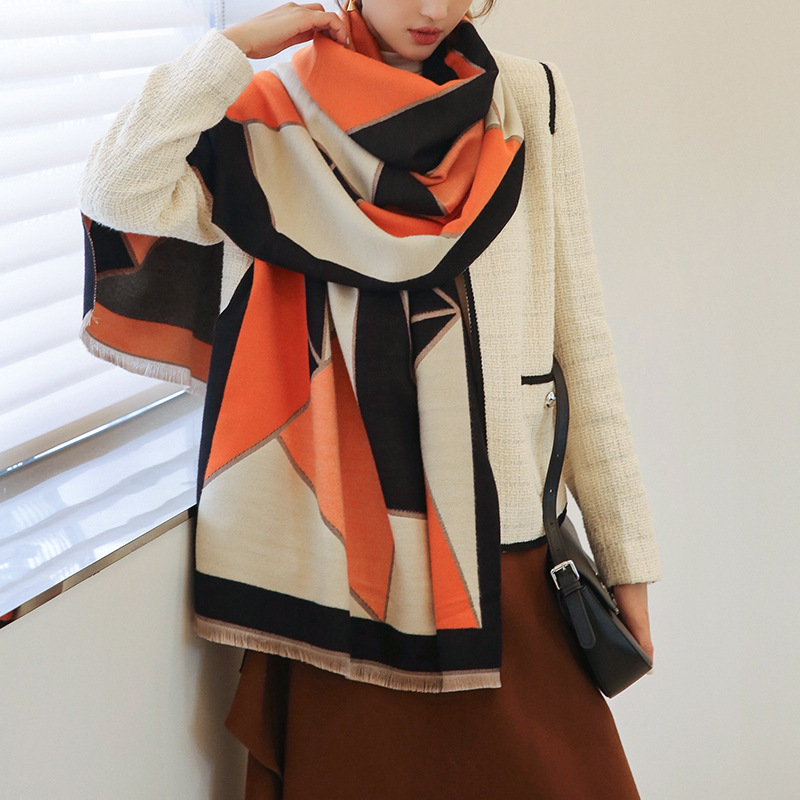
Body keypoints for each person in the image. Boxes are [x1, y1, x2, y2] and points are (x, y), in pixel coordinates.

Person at [79, 1, 662, 797]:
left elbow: (580, 338)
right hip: (338, 582)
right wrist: (232, 49)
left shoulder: (525, 100)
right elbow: (117, 188)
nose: (434, 8)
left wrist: (627, 560)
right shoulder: (275, 118)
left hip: (501, 558)